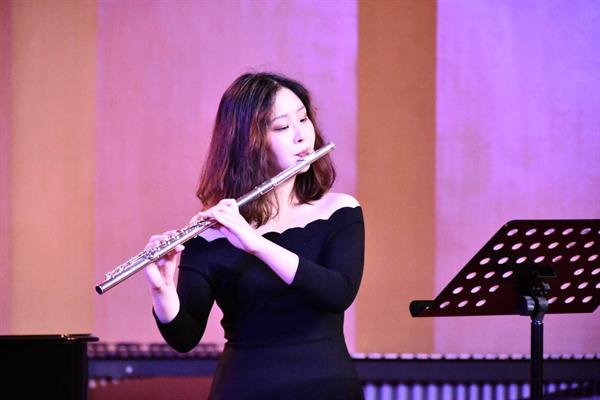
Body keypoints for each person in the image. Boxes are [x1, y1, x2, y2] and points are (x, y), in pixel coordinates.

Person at [144, 72, 365, 400]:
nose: (302, 136)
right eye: (283, 127)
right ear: (249, 143)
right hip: (245, 387)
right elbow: (184, 338)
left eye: (303, 119)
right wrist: (162, 290)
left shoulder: (339, 211)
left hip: (326, 387)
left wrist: (256, 243)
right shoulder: (211, 235)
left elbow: (337, 293)